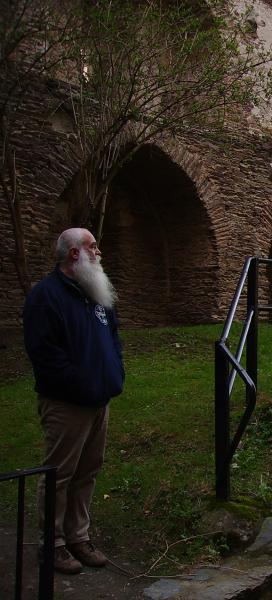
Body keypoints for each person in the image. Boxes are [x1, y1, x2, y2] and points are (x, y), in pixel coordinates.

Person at [23, 228, 125, 574]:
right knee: (60, 475)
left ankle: (78, 536)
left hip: (100, 399)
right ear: (73, 254)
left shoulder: (94, 293)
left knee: (88, 470)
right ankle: (52, 545)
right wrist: (81, 384)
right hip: (67, 403)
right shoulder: (46, 296)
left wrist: (115, 373)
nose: (99, 252)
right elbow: (45, 355)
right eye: (93, 246)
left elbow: (112, 336)